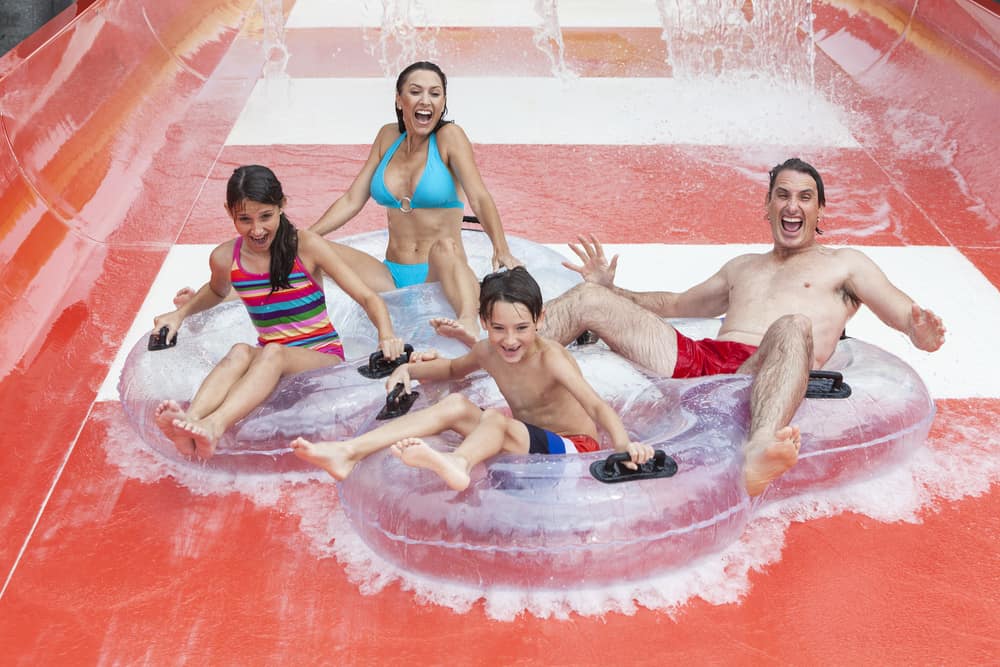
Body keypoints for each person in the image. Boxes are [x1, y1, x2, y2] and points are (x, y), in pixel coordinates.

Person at [538, 157, 946, 497]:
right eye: (782, 195)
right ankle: (510, 358)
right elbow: (676, 304)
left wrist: (920, 333)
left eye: (805, 197)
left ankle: (760, 450)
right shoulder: (743, 267)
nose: (792, 206)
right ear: (767, 206)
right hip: (703, 361)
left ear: (820, 210)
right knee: (589, 298)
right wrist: (611, 290)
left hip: (761, 371)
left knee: (793, 324)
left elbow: (901, 312)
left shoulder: (845, 264)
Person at [290, 267, 654, 491]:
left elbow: (596, 406)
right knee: (457, 405)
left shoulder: (551, 358)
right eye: (499, 328)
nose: (510, 340)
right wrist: (407, 370)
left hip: (574, 449)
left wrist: (623, 447)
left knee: (495, 419)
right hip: (524, 439)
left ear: (540, 320)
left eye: (521, 328)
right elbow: (451, 370)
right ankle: (348, 452)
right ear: (483, 323)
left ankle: (459, 463)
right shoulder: (487, 351)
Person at [153, 165, 405, 461]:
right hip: (271, 358)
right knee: (240, 351)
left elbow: (367, 296)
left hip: (321, 355)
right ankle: (191, 422)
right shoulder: (224, 257)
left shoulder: (306, 246)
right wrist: (180, 315)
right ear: (229, 212)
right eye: (244, 219)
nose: (257, 230)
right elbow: (217, 292)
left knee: (272, 351)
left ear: (281, 205)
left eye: (266, 216)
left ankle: (214, 426)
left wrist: (386, 335)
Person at [308, 60, 522, 343]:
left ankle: (468, 322)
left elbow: (479, 197)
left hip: (439, 274)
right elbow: (351, 199)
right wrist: (305, 236)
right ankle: (314, 331)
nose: (426, 101)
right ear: (399, 99)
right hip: (390, 275)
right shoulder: (387, 136)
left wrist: (501, 248)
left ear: (443, 102)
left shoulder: (450, 138)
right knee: (309, 247)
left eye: (435, 93)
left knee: (445, 245)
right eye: (415, 91)